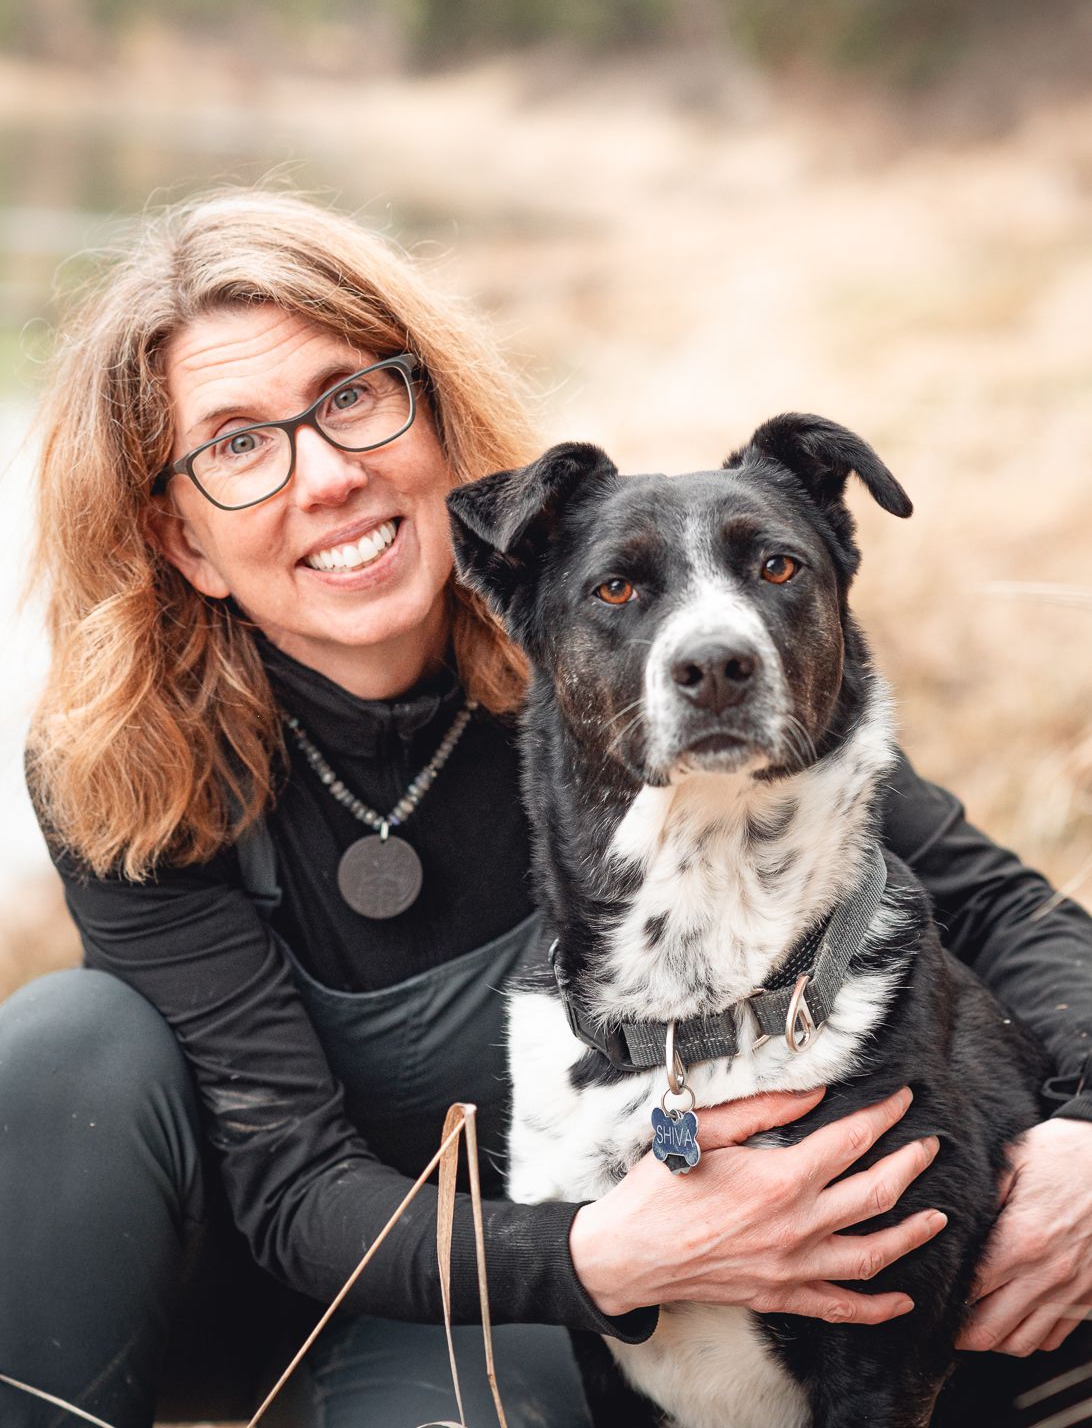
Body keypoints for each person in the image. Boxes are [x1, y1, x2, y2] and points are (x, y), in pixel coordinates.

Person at [1, 190, 1089, 1428]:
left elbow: (1000, 907)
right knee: (65, 1041)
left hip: (518, 1329)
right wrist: (596, 1256)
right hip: (315, 1283)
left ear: (433, 415)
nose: (328, 475)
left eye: (352, 395)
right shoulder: (124, 770)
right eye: (239, 444)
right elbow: (293, 1181)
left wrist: (1088, 1141)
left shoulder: (625, 647)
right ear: (185, 540)